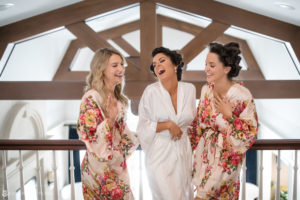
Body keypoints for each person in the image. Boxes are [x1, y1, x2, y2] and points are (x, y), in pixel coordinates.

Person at [188, 42, 258, 199]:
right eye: (206, 64)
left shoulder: (242, 95)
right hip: (205, 156)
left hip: (227, 159)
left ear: (226, 69)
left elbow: (250, 132)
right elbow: (198, 124)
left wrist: (230, 116)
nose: (206, 69)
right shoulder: (206, 90)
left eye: (212, 65)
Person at [76, 48, 138, 200]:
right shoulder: (91, 98)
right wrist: (109, 120)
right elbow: (89, 138)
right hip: (99, 171)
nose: (121, 68)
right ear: (101, 69)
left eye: (122, 64)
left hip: (117, 167)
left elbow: (124, 134)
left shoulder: (119, 99)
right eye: (115, 65)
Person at [137, 47, 196, 200]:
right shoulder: (151, 91)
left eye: (162, 61)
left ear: (175, 65)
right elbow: (143, 126)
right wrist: (168, 125)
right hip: (159, 156)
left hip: (184, 153)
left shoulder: (189, 90)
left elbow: (193, 121)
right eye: (154, 65)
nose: (157, 66)